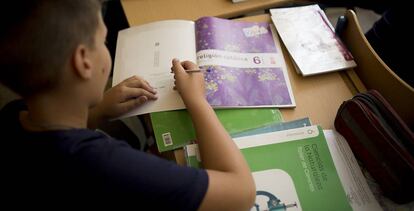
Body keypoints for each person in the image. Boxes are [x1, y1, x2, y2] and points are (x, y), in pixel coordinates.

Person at [0, 0, 255, 209]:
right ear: (84, 62)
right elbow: (241, 193)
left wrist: (96, 113)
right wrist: (198, 101)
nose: (105, 48)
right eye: (102, 41)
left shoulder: (13, 115)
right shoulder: (105, 165)